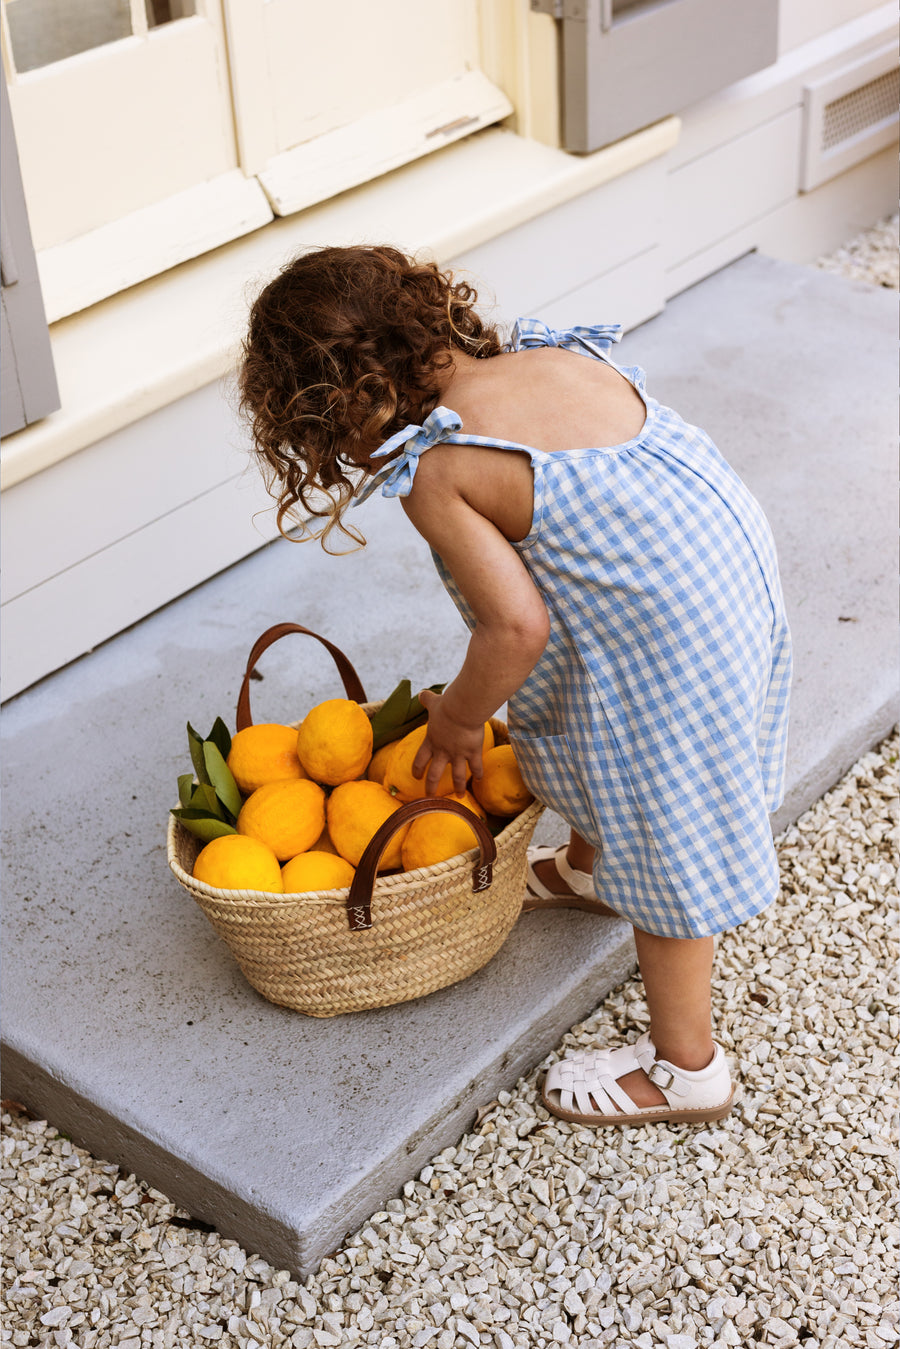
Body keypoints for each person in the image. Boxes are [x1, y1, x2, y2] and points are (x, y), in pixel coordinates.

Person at [239, 244, 792, 1128]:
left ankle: (688, 1068)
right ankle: (591, 868)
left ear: (335, 406)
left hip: (676, 638)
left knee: (665, 814)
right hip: (724, 575)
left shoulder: (439, 467)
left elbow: (516, 627)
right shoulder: (545, 356)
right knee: (586, 730)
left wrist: (458, 720)